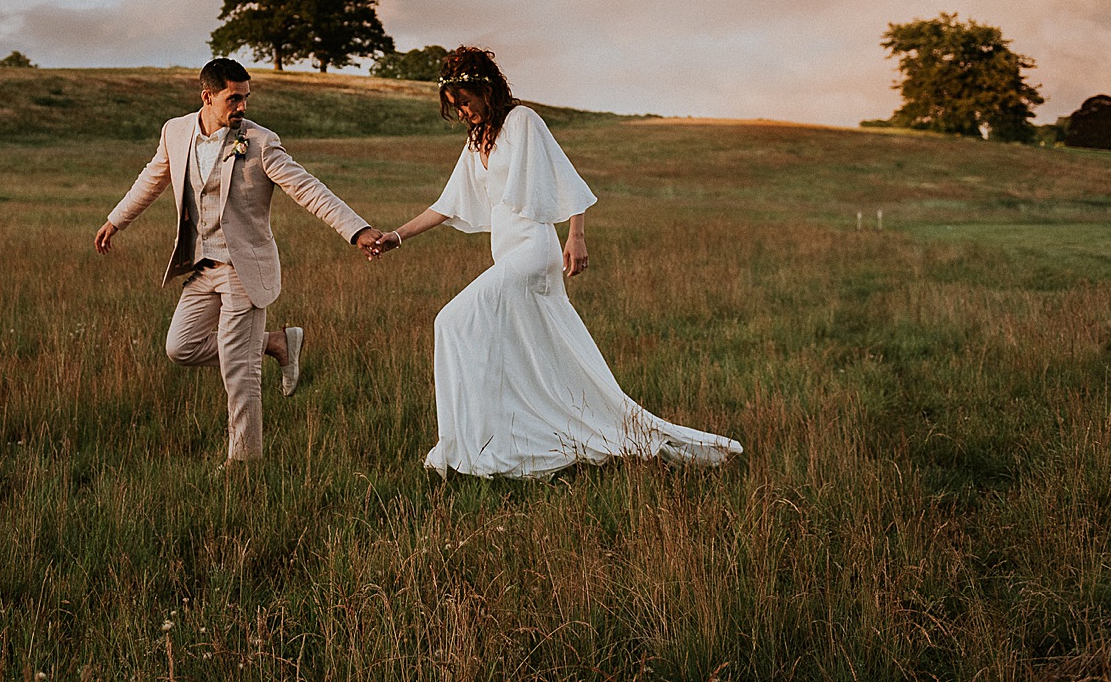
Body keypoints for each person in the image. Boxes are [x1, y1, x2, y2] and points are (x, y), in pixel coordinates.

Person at [376, 47, 743, 478]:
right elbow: (447, 204)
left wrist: (576, 236)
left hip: (533, 251)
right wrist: (396, 236)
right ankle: (506, 435)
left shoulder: (523, 122)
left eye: (465, 102)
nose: (462, 113)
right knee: (530, 357)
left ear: (484, 89)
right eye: (454, 107)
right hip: (507, 252)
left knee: (452, 321)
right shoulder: (477, 141)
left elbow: (568, 180)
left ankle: (468, 445)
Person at [95, 58, 385, 462]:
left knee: (238, 371)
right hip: (201, 268)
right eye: (234, 98)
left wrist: (357, 230)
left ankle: (244, 461)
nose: (243, 106)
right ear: (207, 97)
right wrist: (115, 220)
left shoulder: (261, 142)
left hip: (243, 271)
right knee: (181, 347)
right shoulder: (175, 133)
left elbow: (309, 189)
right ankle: (274, 343)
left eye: (247, 97)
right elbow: (152, 177)